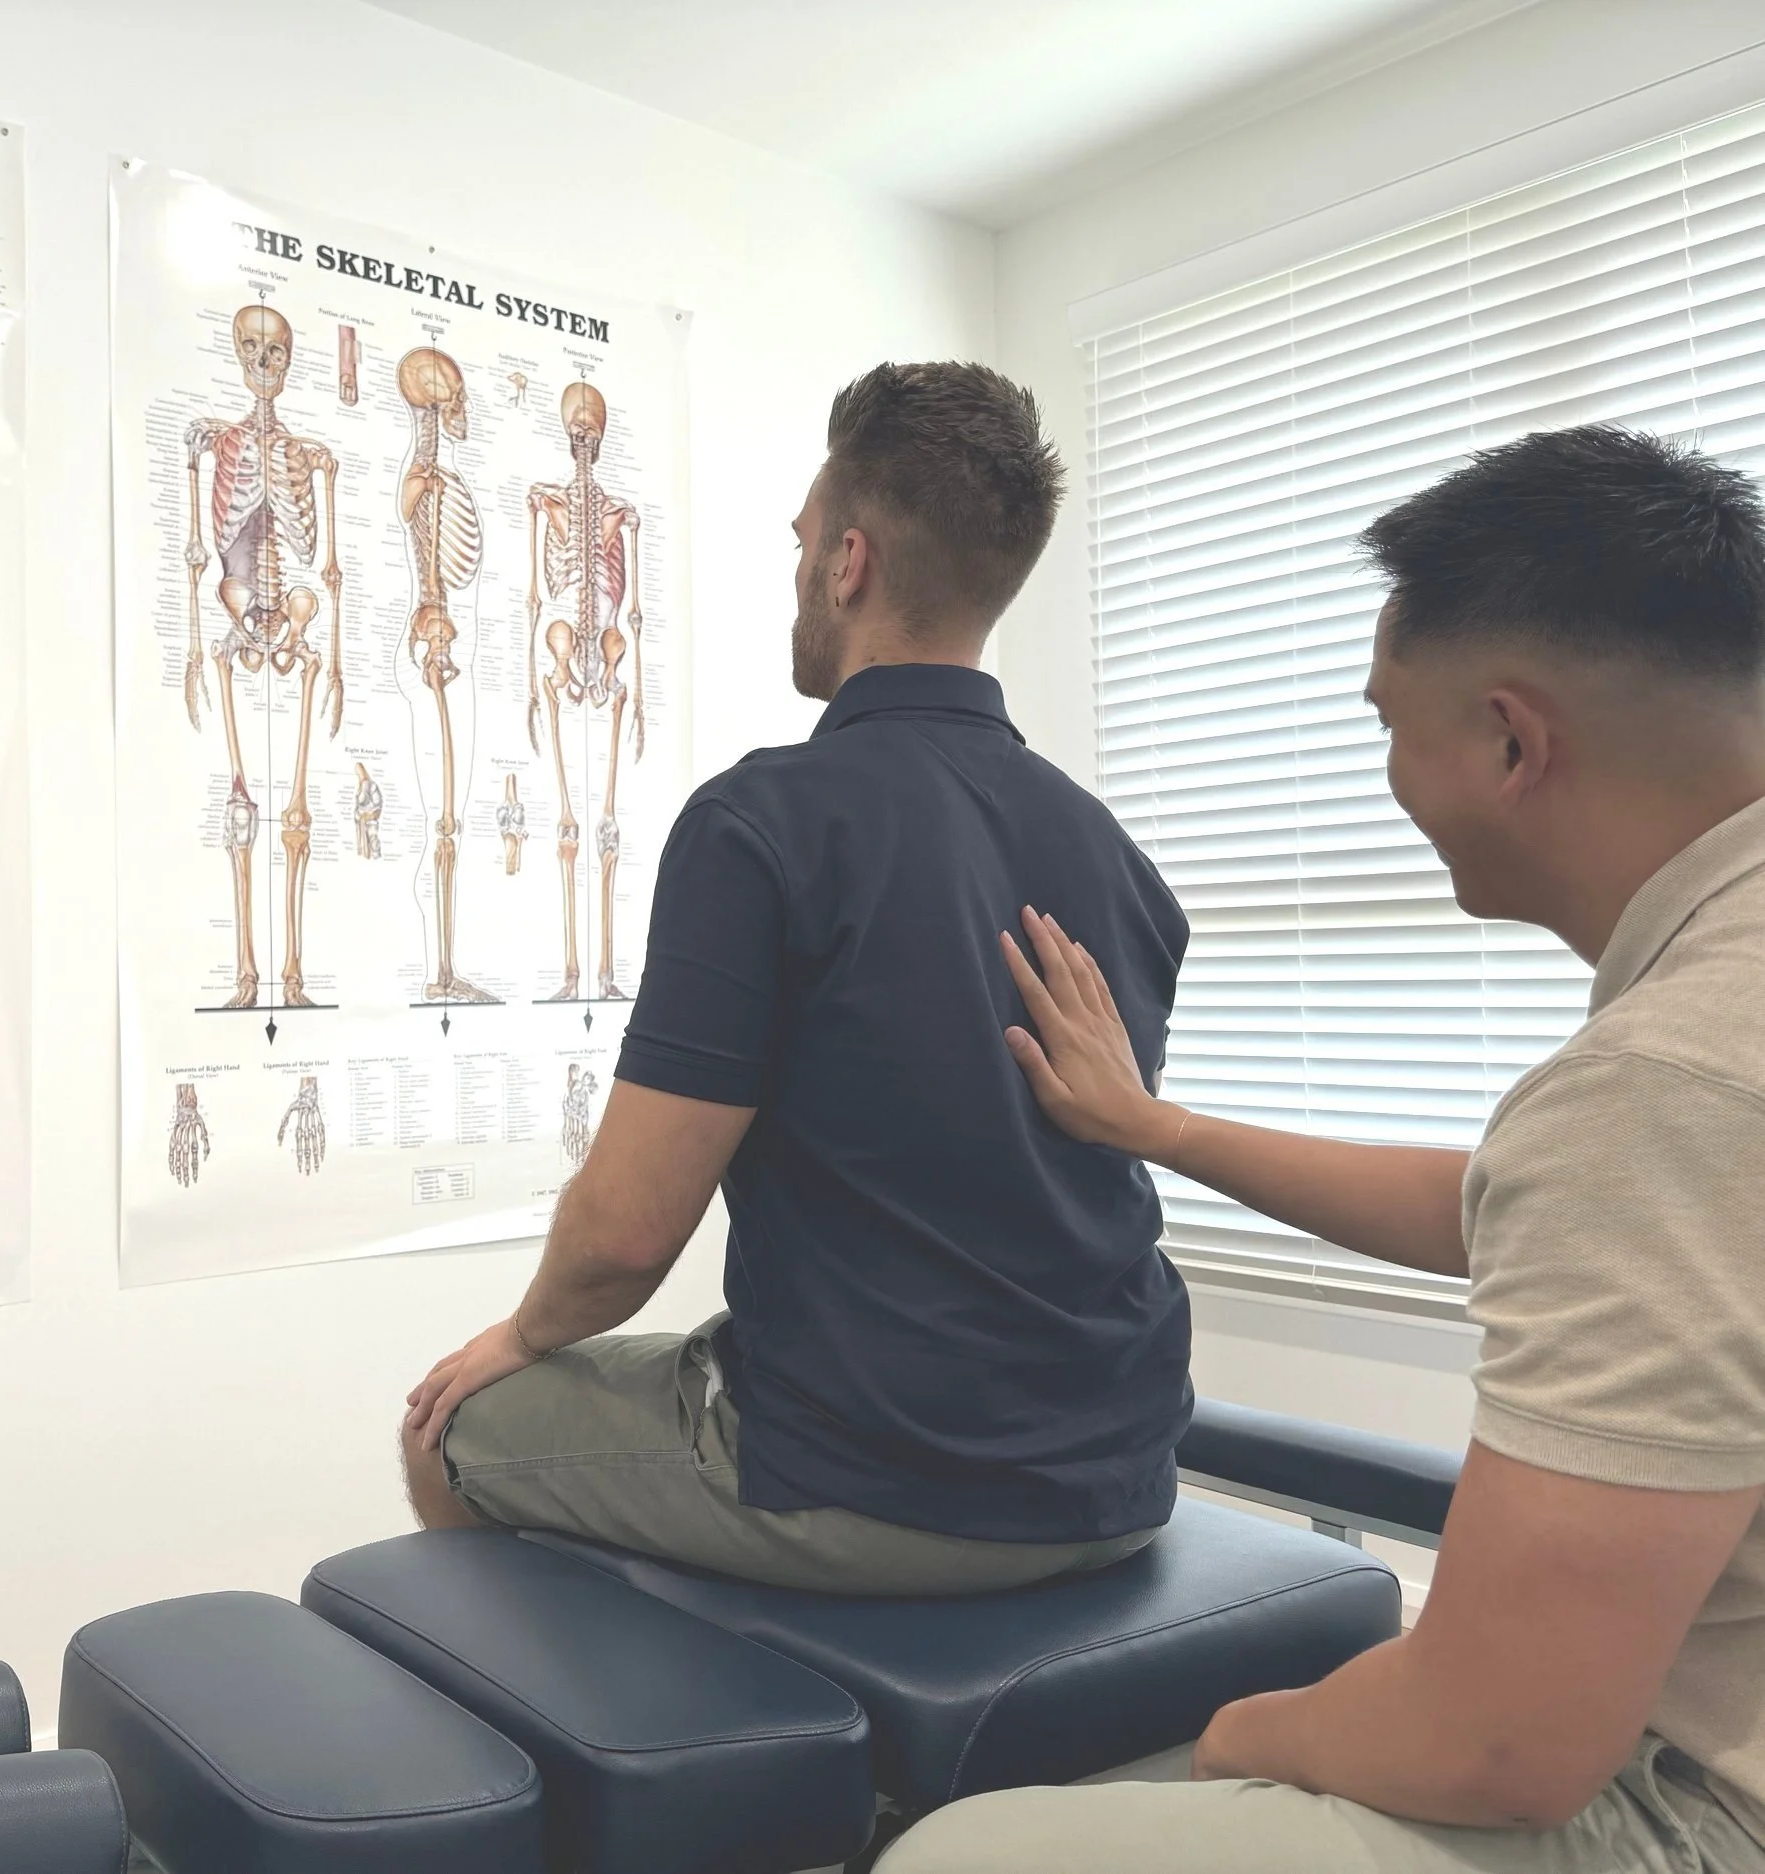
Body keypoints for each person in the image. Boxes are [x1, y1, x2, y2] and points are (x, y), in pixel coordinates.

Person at [886, 425, 1765, 1872]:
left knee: (956, 1853)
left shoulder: (1661, 1084)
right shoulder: (1693, 1054)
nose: (1386, 775)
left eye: (1385, 723)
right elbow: (1510, 1210)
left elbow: (1503, 1744)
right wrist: (1155, 1127)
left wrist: (1259, 1734)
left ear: (1507, 739)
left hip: (1697, 1807)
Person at [400, 362, 1194, 1595]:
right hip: (1121, 1475)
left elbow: (622, 1236)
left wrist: (519, 1335)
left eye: (803, 540)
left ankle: (645, 1763)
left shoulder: (759, 823)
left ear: (849, 563)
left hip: (878, 1481)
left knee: (450, 1429)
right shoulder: (1118, 859)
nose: (796, 567)